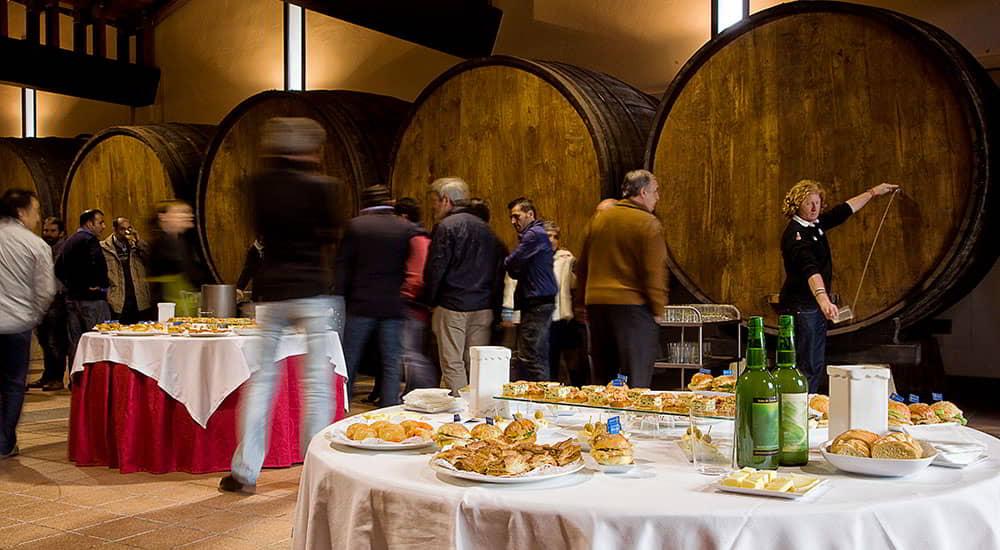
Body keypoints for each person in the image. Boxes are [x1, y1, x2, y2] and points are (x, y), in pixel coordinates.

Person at [222, 117, 344, 493]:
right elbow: (329, 235)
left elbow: (257, 231)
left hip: (272, 293)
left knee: (262, 380)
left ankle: (245, 469)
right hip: (311, 291)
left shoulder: (257, 186)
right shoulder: (323, 187)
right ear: (310, 151)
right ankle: (316, 470)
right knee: (316, 382)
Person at [779, 179, 900, 393]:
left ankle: (810, 401)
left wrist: (873, 192)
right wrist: (823, 299)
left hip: (813, 305)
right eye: (809, 203)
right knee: (806, 361)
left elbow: (843, 210)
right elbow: (810, 268)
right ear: (797, 205)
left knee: (815, 361)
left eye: (817, 202)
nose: (815, 208)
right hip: (802, 305)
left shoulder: (814, 224)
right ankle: (798, 405)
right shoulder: (796, 233)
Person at [575, 170, 668, 388]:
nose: (658, 197)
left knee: (603, 380)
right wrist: (658, 309)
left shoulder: (599, 219)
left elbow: (583, 267)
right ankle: (633, 421)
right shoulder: (647, 223)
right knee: (635, 379)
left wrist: (581, 305)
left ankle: (603, 421)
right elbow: (653, 272)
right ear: (643, 192)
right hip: (632, 310)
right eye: (655, 191)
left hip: (597, 307)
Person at [423, 178, 503, 394]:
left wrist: (430, 300)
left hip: (452, 305)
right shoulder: (488, 231)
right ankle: (478, 409)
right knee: (476, 364)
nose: (433, 207)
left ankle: (462, 412)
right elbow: (499, 270)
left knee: (453, 363)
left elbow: (436, 268)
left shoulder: (446, 226)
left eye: (434, 202)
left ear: (446, 200)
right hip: (483, 307)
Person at [335, 185, 413, 406]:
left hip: (361, 303)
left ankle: (344, 405)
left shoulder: (356, 226)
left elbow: (343, 265)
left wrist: (340, 296)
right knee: (390, 361)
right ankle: (389, 405)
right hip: (393, 304)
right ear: (389, 201)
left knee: (350, 357)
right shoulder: (403, 227)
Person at [0, 189, 56, 458]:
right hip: (16, 325)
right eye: (35, 211)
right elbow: (46, 290)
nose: (38, 217)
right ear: (21, 212)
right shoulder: (36, 245)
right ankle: (4, 442)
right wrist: (34, 315)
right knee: (13, 384)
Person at [505, 197, 557, 381]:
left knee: (531, 356)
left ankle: (539, 401)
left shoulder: (533, 235)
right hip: (537, 301)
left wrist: (510, 264)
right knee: (536, 354)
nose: (513, 222)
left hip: (537, 302)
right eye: (511, 217)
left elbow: (512, 262)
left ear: (530, 214)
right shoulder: (535, 234)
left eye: (517, 216)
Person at [56, 209, 111, 370]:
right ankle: (96, 382)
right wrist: (96, 286)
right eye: (100, 222)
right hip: (92, 300)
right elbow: (97, 266)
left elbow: (58, 268)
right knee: (99, 341)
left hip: (72, 299)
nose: (103, 226)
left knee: (77, 343)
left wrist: (72, 285)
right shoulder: (89, 240)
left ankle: (77, 381)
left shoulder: (70, 240)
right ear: (89, 223)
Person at [395, 197, 438, 394]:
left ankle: (423, 391)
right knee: (409, 352)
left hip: (413, 304)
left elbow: (417, 276)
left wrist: (404, 292)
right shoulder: (418, 236)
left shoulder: (416, 239)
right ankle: (413, 393)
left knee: (411, 353)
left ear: (404, 216)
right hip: (416, 303)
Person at [544, 220, 589, 386]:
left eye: (555, 236)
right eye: (548, 236)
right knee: (549, 361)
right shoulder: (535, 256)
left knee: (574, 361)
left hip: (565, 316)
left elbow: (574, 283)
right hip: (546, 317)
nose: (552, 240)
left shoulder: (566, 259)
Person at [147, 200, 209, 316]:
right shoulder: (161, 242)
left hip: (182, 306)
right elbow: (189, 272)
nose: (188, 216)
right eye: (181, 212)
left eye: (188, 212)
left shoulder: (181, 241)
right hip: (169, 309)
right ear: (163, 217)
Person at [28, 217, 69, 391]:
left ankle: (57, 378)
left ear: (61, 232)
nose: (48, 234)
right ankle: (48, 375)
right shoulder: (44, 248)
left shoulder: (63, 250)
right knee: (44, 340)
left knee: (55, 340)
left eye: (52, 231)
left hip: (57, 300)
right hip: (42, 301)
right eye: (46, 230)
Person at [101, 217, 152, 324]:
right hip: (118, 299)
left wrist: (138, 241)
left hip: (138, 298)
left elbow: (151, 259)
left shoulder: (136, 246)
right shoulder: (104, 248)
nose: (126, 232)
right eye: (122, 229)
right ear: (114, 229)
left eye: (129, 228)